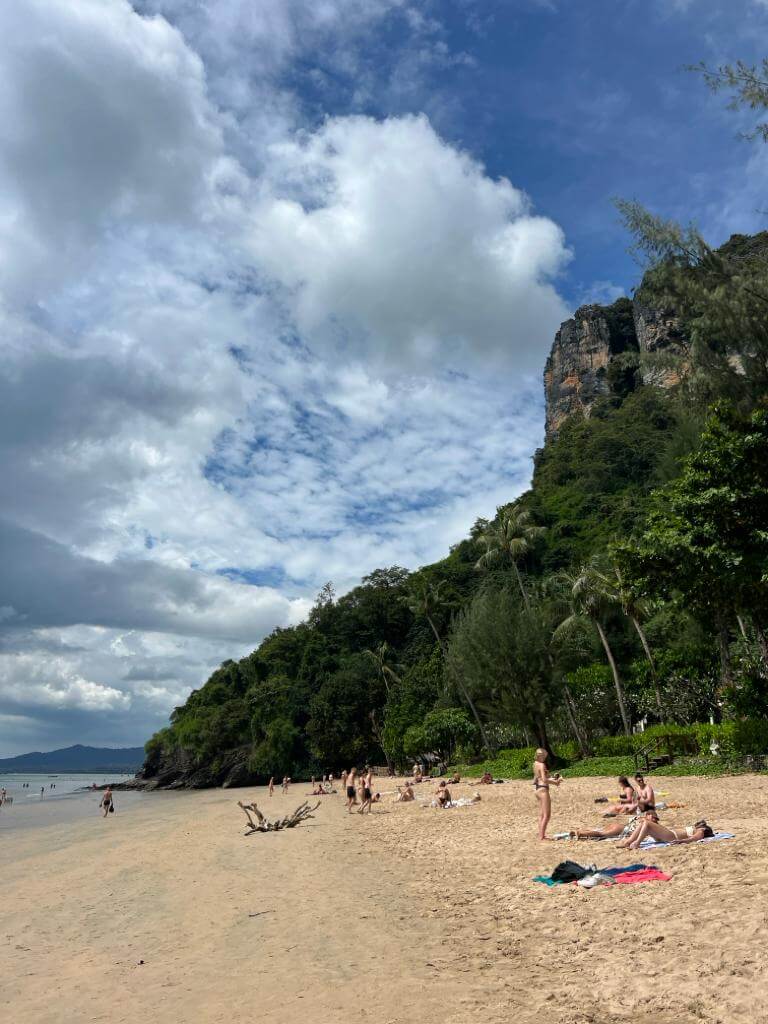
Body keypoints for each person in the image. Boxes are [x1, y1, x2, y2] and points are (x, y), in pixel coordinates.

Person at [617, 818, 715, 850]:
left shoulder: (701, 831)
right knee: (644, 824)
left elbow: (694, 838)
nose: (698, 824)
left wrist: (681, 841)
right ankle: (629, 841)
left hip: (671, 836)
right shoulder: (699, 829)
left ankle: (636, 843)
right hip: (667, 836)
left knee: (647, 823)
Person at [572, 808, 660, 840]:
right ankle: (581, 833)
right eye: (653, 817)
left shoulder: (639, 818)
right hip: (622, 829)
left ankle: (580, 831)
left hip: (619, 826)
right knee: (601, 834)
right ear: (648, 815)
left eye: (655, 819)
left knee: (599, 831)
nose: (655, 820)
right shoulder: (645, 822)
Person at [533, 748, 561, 841]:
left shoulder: (535, 764)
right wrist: (556, 783)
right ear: (542, 755)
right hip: (543, 790)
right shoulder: (541, 765)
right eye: (545, 756)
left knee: (542, 815)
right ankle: (542, 836)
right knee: (547, 815)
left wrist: (553, 778)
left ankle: (541, 835)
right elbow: (545, 780)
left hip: (537, 789)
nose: (545, 758)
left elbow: (538, 778)